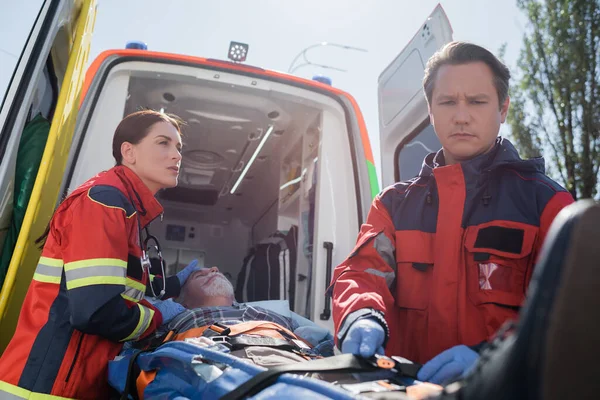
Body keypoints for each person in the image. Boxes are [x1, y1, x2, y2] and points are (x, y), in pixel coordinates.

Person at [331, 41, 575, 385]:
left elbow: (570, 316)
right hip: (400, 391)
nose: (461, 115)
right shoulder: (392, 206)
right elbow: (362, 274)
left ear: (503, 109)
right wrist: (362, 314)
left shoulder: (547, 204)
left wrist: (493, 358)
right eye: (447, 102)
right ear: (430, 110)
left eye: (477, 101)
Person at [0, 110, 202, 399]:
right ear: (128, 152)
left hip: (71, 381)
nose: (176, 155)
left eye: (178, 147)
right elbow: (95, 312)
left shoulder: (125, 209)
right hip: (46, 386)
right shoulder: (105, 202)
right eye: (163, 143)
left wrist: (177, 284)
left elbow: (120, 287)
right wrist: (159, 318)